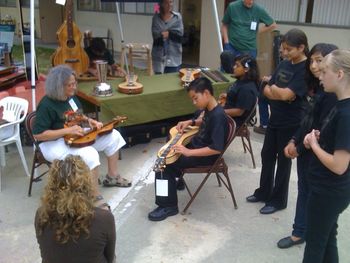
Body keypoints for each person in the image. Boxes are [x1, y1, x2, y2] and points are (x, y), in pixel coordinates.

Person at [33, 65, 131, 204]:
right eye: (70, 85)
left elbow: (78, 115)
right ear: (58, 87)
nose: (74, 87)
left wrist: (90, 121)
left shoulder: (70, 98)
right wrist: (67, 131)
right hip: (52, 143)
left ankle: (112, 176)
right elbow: (39, 135)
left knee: (113, 136)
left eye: (75, 83)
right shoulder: (46, 105)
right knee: (90, 153)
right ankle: (94, 195)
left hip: (74, 135)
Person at [277, 43, 338, 249]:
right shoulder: (316, 86)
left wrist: (300, 147)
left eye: (319, 60)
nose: (313, 65)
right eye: (312, 60)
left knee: (313, 194)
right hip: (305, 146)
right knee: (304, 190)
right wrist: (294, 140)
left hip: (319, 153)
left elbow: (320, 129)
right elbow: (307, 121)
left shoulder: (332, 93)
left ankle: (307, 232)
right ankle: (300, 231)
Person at [246, 28, 309, 214]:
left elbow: (284, 93)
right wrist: (276, 91)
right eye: (284, 49)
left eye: (289, 49)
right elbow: (265, 88)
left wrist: (274, 89)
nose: (285, 52)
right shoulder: (284, 64)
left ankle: (278, 200)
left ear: (301, 47)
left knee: (283, 162)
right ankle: (263, 192)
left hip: (291, 122)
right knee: (267, 156)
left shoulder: (304, 70)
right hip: (275, 119)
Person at [148, 77, 228, 221]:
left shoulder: (218, 116)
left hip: (206, 156)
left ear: (206, 93)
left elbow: (216, 148)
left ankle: (168, 206)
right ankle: (176, 179)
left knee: (162, 164)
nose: (194, 102)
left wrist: (188, 152)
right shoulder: (211, 109)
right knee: (171, 139)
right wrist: (190, 122)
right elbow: (204, 122)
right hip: (197, 148)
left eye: (195, 98)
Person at [301, 49, 350, 263]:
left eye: (324, 72)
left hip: (329, 191)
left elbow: (339, 165)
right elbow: (336, 142)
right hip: (327, 189)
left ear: (339, 74)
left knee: (314, 244)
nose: (319, 77)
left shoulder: (346, 114)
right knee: (327, 238)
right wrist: (319, 138)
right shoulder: (339, 105)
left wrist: (314, 145)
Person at [35, 155, 116, 263]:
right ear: (86, 184)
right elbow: (110, 258)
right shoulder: (104, 218)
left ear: (52, 187)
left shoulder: (41, 214)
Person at [254, 41, 288, 134]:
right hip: (277, 91)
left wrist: (270, 81)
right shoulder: (284, 63)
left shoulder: (286, 64)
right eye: (280, 51)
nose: (282, 54)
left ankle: (264, 124)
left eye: (282, 51)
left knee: (262, 97)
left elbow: (280, 80)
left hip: (279, 95)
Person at [219, 54, 259, 127]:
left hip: (232, 122)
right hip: (227, 114)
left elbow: (239, 112)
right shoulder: (241, 80)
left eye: (237, 66)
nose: (234, 67)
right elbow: (237, 95)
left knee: (205, 117)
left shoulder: (247, 88)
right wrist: (228, 96)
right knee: (200, 112)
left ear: (246, 69)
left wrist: (217, 112)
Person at [151, 0, 183, 74]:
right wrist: (162, 35)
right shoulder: (156, 18)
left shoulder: (177, 17)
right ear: (161, 4)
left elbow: (181, 38)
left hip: (174, 57)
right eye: (166, 3)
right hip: (158, 57)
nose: (169, 5)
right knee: (159, 81)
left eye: (171, 2)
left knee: (171, 81)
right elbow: (155, 37)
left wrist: (169, 34)